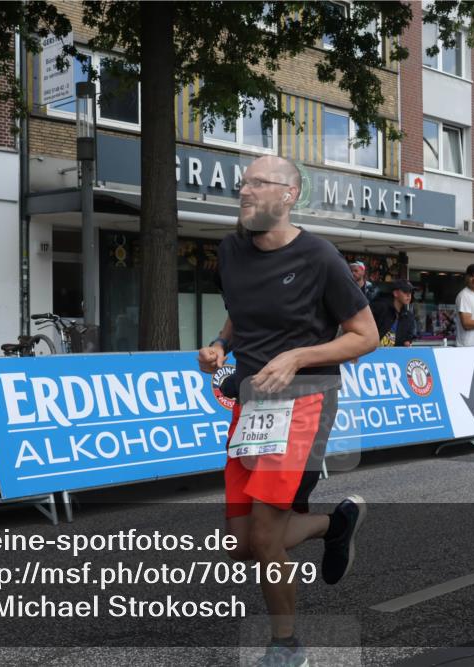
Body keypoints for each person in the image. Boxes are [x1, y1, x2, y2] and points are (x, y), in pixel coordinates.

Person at [197, 155, 379, 667]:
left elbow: (365, 336)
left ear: (289, 195)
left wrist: (298, 355)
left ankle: (286, 647)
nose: (246, 191)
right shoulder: (230, 250)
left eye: (259, 183)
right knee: (240, 543)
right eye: (243, 182)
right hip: (252, 402)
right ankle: (332, 524)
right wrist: (219, 346)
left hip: (306, 400)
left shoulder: (320, 258)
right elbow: (238, 311)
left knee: (265, 536)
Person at [372, 279, 417, 347]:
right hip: (374, 353)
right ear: (395, 293)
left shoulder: (408, 316)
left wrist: (408, 341)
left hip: (396, 355)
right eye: (405, 291)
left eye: (410, 292)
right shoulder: (379, 308)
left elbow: (409, 338)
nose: (409, 295)